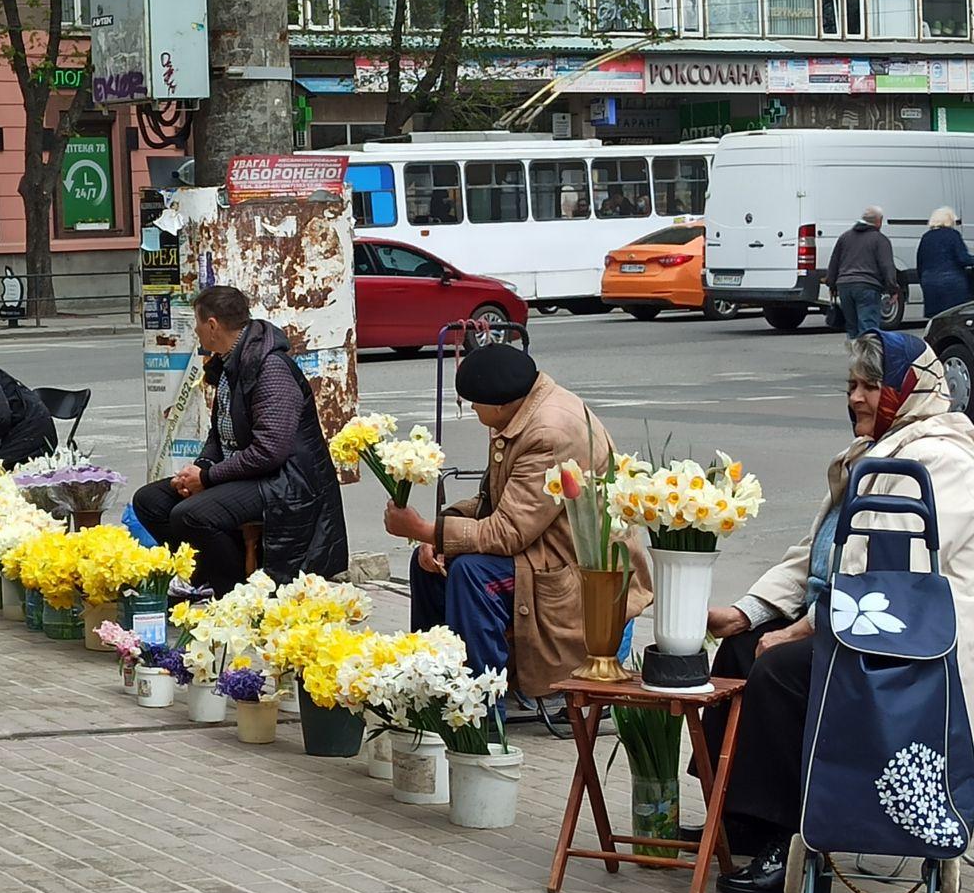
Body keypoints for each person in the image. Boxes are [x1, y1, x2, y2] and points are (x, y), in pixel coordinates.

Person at [699, 331, 974, 893]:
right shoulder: (882, 451)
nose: (854, 398)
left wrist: (802, 629)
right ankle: (741, 819)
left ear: (906, 391)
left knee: (780, 674)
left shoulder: (942, 461)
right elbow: (818, 552)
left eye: (870, 386)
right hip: (863, 624)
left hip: (919, 646)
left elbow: (887, 575)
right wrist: (747, 611)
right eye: (851, 385)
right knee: (737, 651)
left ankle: (793, 840)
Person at [385, 344, 651, 691]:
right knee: (428, 565)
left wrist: (425, 528)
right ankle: (435, 685)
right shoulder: (519, 412)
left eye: (472, 404)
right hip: (539, 547)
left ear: (499, 404)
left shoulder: (547, 433)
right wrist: (434, 536)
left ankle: (480, 705)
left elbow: (508, 532)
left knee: (471, 573)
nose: (470, 409)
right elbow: (494, 502)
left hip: (574, 567)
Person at [133, 285, 348, 596]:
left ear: (212, 325)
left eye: (197, 324)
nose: (196, 332)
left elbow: (270, 451)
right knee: (151, 501)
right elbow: (219, 432)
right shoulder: (228, 363)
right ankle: (207, 576)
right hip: (245, 473)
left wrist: (207, 478)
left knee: (190, 514)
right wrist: (202, 466)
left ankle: (232, 591)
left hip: (285, 481)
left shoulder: (270, 367)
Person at [825, 206, 897, 339]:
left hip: (845, 286)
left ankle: (856, 357)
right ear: (879, 221)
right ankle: (868, 358)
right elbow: (887, 266)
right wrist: (893, 289)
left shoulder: (844, 237)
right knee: (868, 328)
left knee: (852, 328)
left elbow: (834, 262)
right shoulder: (880, 239)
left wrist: (832, 285)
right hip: (867, 286)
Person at [916, 208, 974, 319]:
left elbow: (920, 263)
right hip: (952, 283)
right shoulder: (953, 235)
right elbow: (963, 259)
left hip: (930, 283)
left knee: (936, 319)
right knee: (954, 318)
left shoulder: (926, 237)